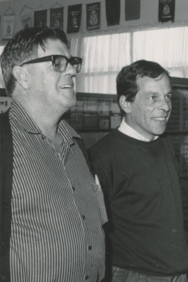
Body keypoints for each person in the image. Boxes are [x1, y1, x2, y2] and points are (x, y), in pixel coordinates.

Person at [0, 27, 107, 282]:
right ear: (23, 76)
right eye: (57, 63)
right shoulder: (4, 144)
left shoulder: (77, 144)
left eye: (72, 62)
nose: (71, 70)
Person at [89, 60, 188, 282]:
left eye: (167, 96)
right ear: (126, 103)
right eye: (153, 98)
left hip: (176, 271)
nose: (165, 106)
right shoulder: (103, 157)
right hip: (135, 274)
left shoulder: (164, 142)